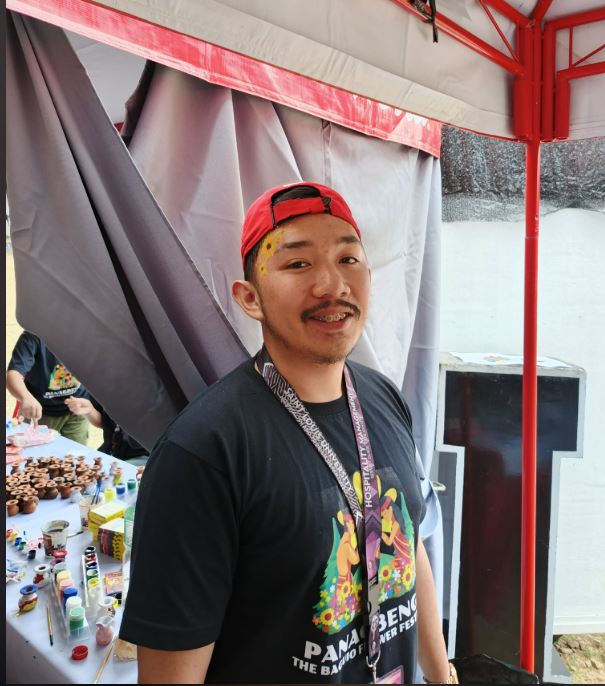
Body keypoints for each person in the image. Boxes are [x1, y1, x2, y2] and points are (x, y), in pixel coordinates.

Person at [119, 182, 457, 684]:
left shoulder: (385, 398)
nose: (332, 285)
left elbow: (411, 546)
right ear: (249, 298)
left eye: (348, 259)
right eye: (298, 264)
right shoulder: (204, 452)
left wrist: (441, 674)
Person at [6, 331, 90, 444]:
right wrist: (26, 397)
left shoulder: (86, 334)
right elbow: (14, 374)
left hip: (78, 411)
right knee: (36, 452)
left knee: (77, 452)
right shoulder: (33, 335)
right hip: (39, 413)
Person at [64, 396, 149, 465]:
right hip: (109, 452)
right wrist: (90, 410)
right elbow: (104, 423)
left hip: (141, 457)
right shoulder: (104, 387)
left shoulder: (149, 391)